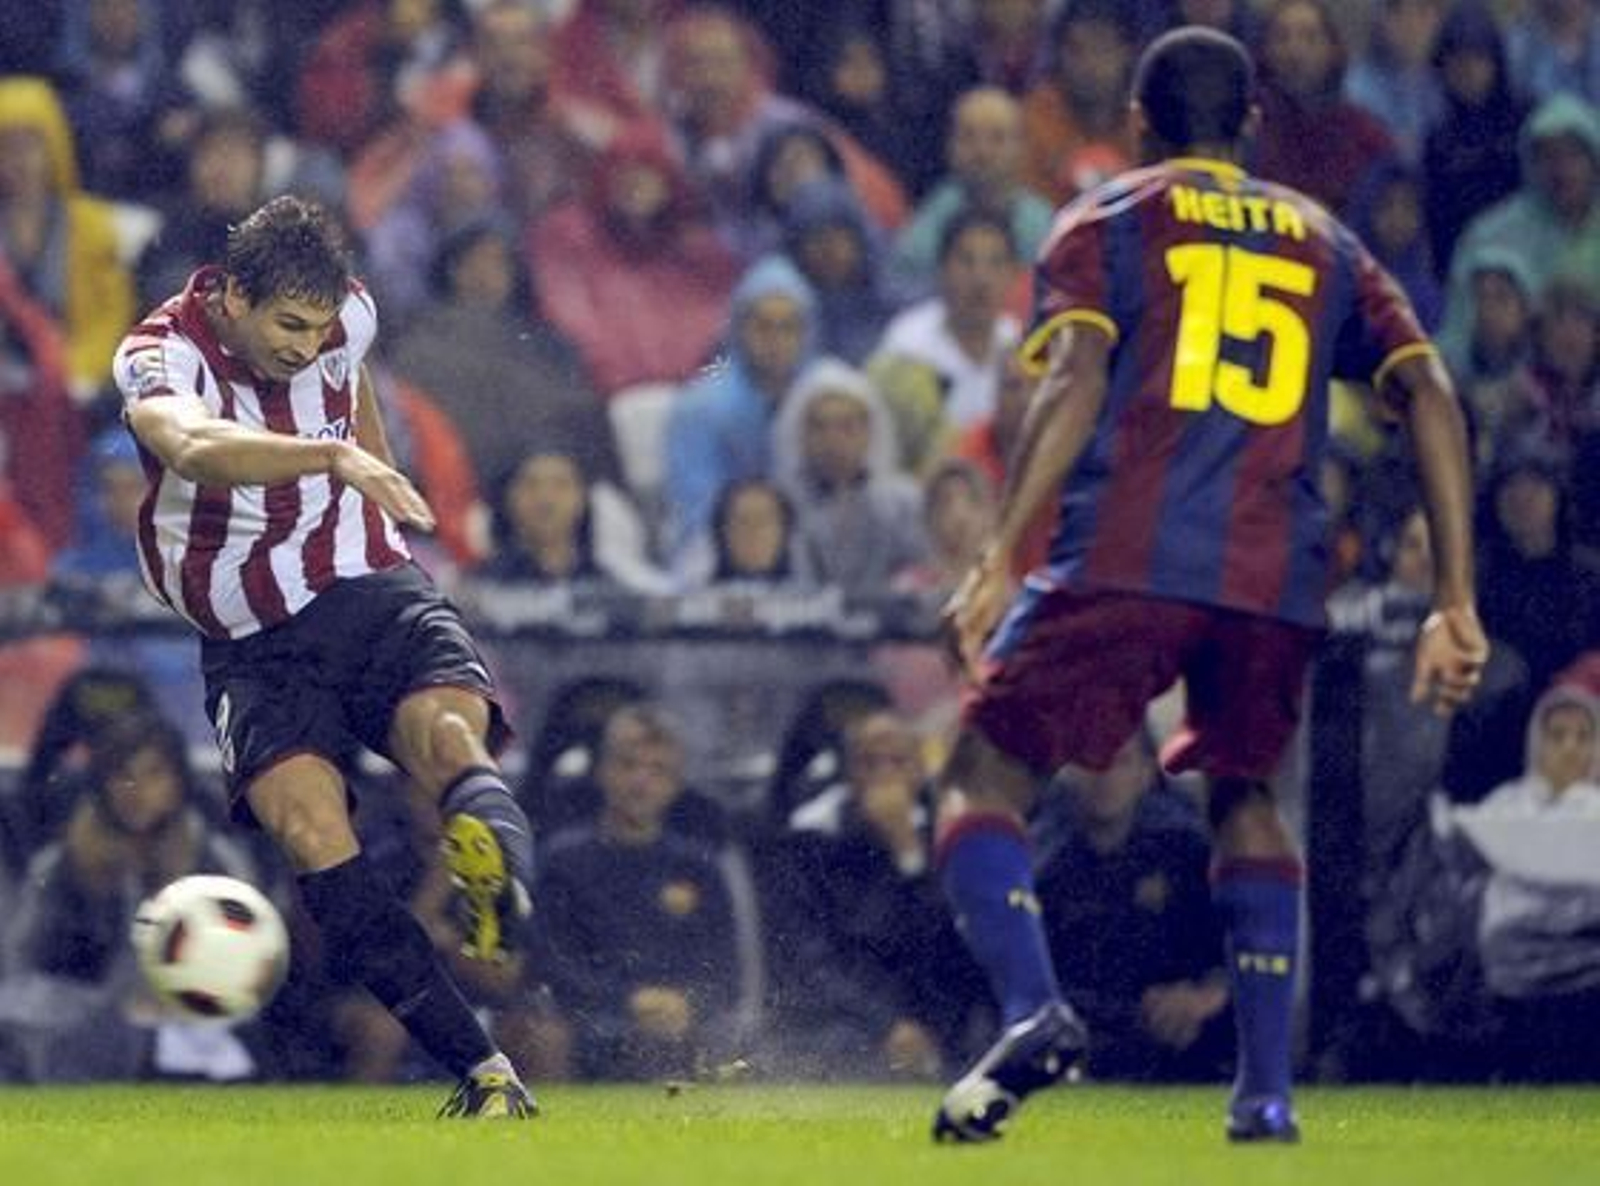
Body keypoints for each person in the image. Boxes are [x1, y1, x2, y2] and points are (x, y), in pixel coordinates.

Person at [928, 28, 1486, 1145]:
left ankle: (1036, 1008)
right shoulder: (1328, 244)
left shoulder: (1107, 220)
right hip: (1274, 573)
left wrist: (999, 546)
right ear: (1247, 129)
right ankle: (1264, 1094)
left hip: (1127, 553)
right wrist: (1454, 599)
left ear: (1137, 123)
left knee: (982, 773)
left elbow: (1077, 374)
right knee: (1243, 793)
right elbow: (1425, 388)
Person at [111, 195, 537, 1119]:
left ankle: (495, 864)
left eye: (319, 326)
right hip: (248, 639)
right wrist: (333, 460)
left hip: (358, 580)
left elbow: (353, 382)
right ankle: (486, 1072)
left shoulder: (348, 317)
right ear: (229, 297)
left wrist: (379, 489)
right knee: (312, 838)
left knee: (446, 734)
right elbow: (191, 446)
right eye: (287, 327)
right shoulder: (159, 352)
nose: (307, 346)